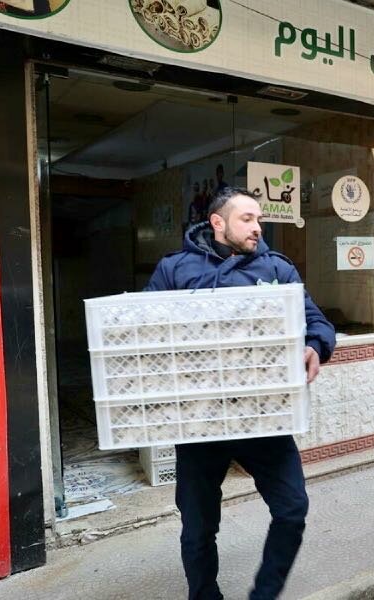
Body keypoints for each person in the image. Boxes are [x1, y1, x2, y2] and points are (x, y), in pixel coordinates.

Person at [145, 186, 335, 599]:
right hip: (199, 420)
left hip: (263, 416)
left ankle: (263, 594)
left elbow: (315, 320)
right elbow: (144, 330)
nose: (257, 227)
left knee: (292, 508)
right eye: (247, 218)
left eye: (259, 219)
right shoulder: (174, 270)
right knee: (197, 526)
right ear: (218, 223)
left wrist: (314, 345)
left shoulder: (278, 269)